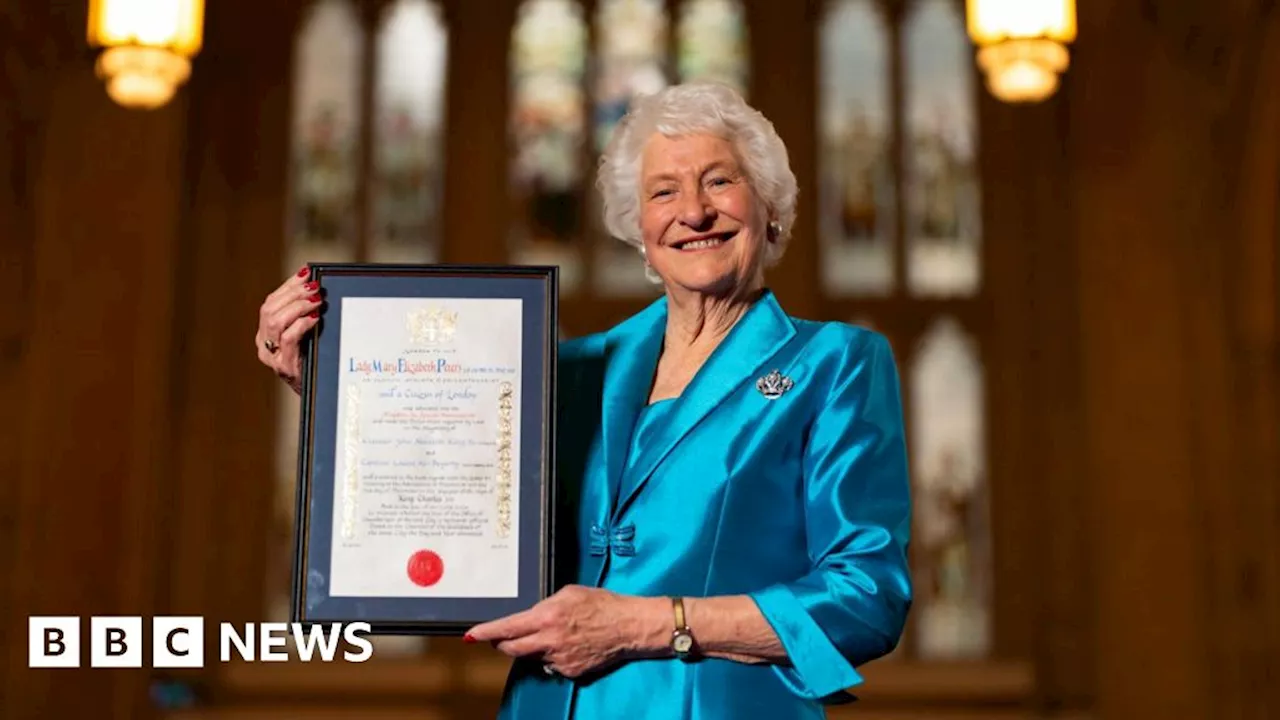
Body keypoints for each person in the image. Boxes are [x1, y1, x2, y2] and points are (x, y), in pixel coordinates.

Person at [255, 82, 912, 720]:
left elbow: (866, 597)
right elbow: (448, 501)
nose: (694, 211)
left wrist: (652, 624)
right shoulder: (566, 369)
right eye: (664, 191)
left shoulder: (834, 363)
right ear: (640, 229)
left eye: (719, 181)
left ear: (769, 208)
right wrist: (333, 391)